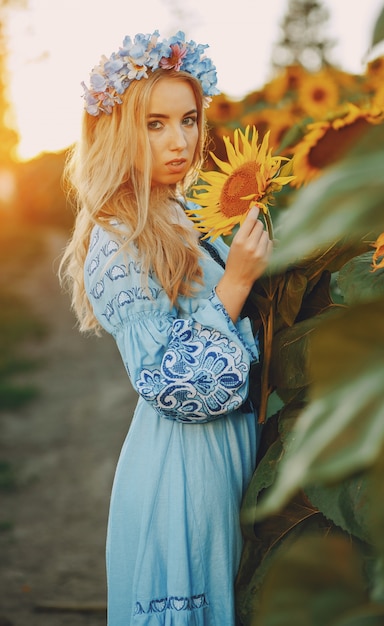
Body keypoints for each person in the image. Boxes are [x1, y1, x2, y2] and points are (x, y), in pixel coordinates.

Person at [60, 30, 271, 626]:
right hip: (181, 473)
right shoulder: (118, 237)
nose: (179, 141)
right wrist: (236, 282)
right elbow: (166, 383)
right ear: (118, 130)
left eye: (189, 119)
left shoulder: (178, 211)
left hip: (223, 458)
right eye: (154, 124)